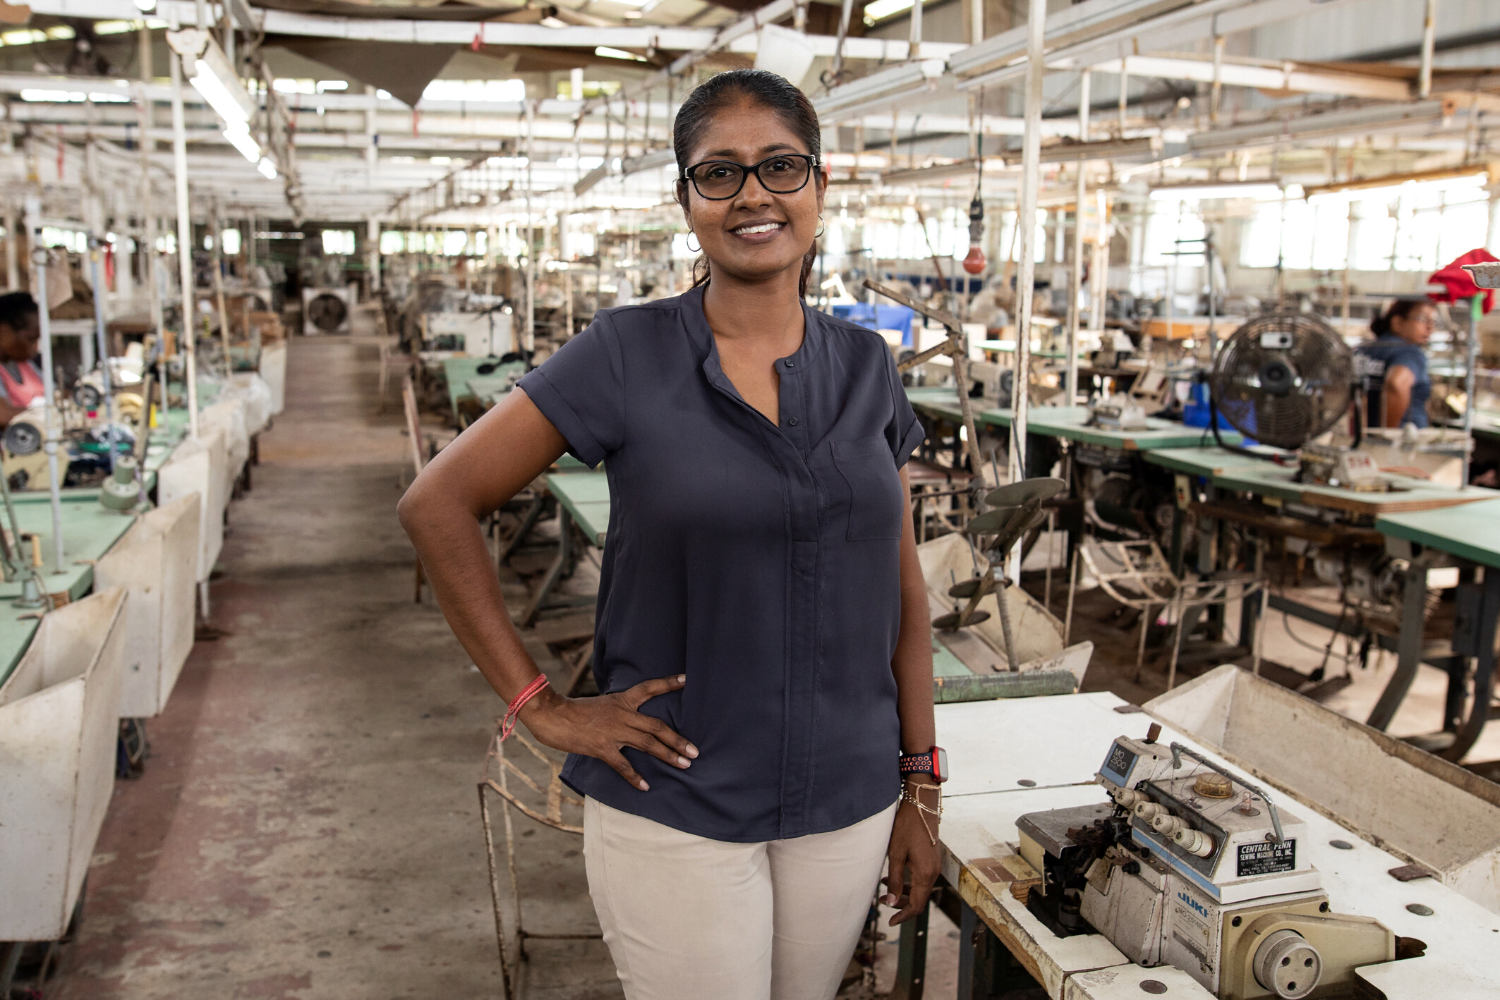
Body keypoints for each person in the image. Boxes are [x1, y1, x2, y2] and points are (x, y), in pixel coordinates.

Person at [399, 69, 941, 1000]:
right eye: (719, 173)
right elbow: (435, 502)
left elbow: (904, 597)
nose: (754, 195)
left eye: (781, 165)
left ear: (821, 185)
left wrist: (921, 783)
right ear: (686, 200)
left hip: (847, 801)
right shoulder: (624, 353)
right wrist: (539, 705)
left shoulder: (866, 367)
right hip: (677, 796)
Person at [1357, 299, 1436, 429]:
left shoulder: (1361, 350)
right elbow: (1396, 385)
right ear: (1397, 322)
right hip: (1403, 441)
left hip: (1361, 437)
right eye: (1422, 319)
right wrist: (1389, 434)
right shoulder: (1410, 352)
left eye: (1433, 321)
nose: (1429, 327)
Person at [0, 291, 45, 426]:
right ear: (5, 331)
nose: (35, 348)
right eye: (31, 339)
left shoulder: (23, 363)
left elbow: (58, 394)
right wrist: (47, 412)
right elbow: (3, 415)